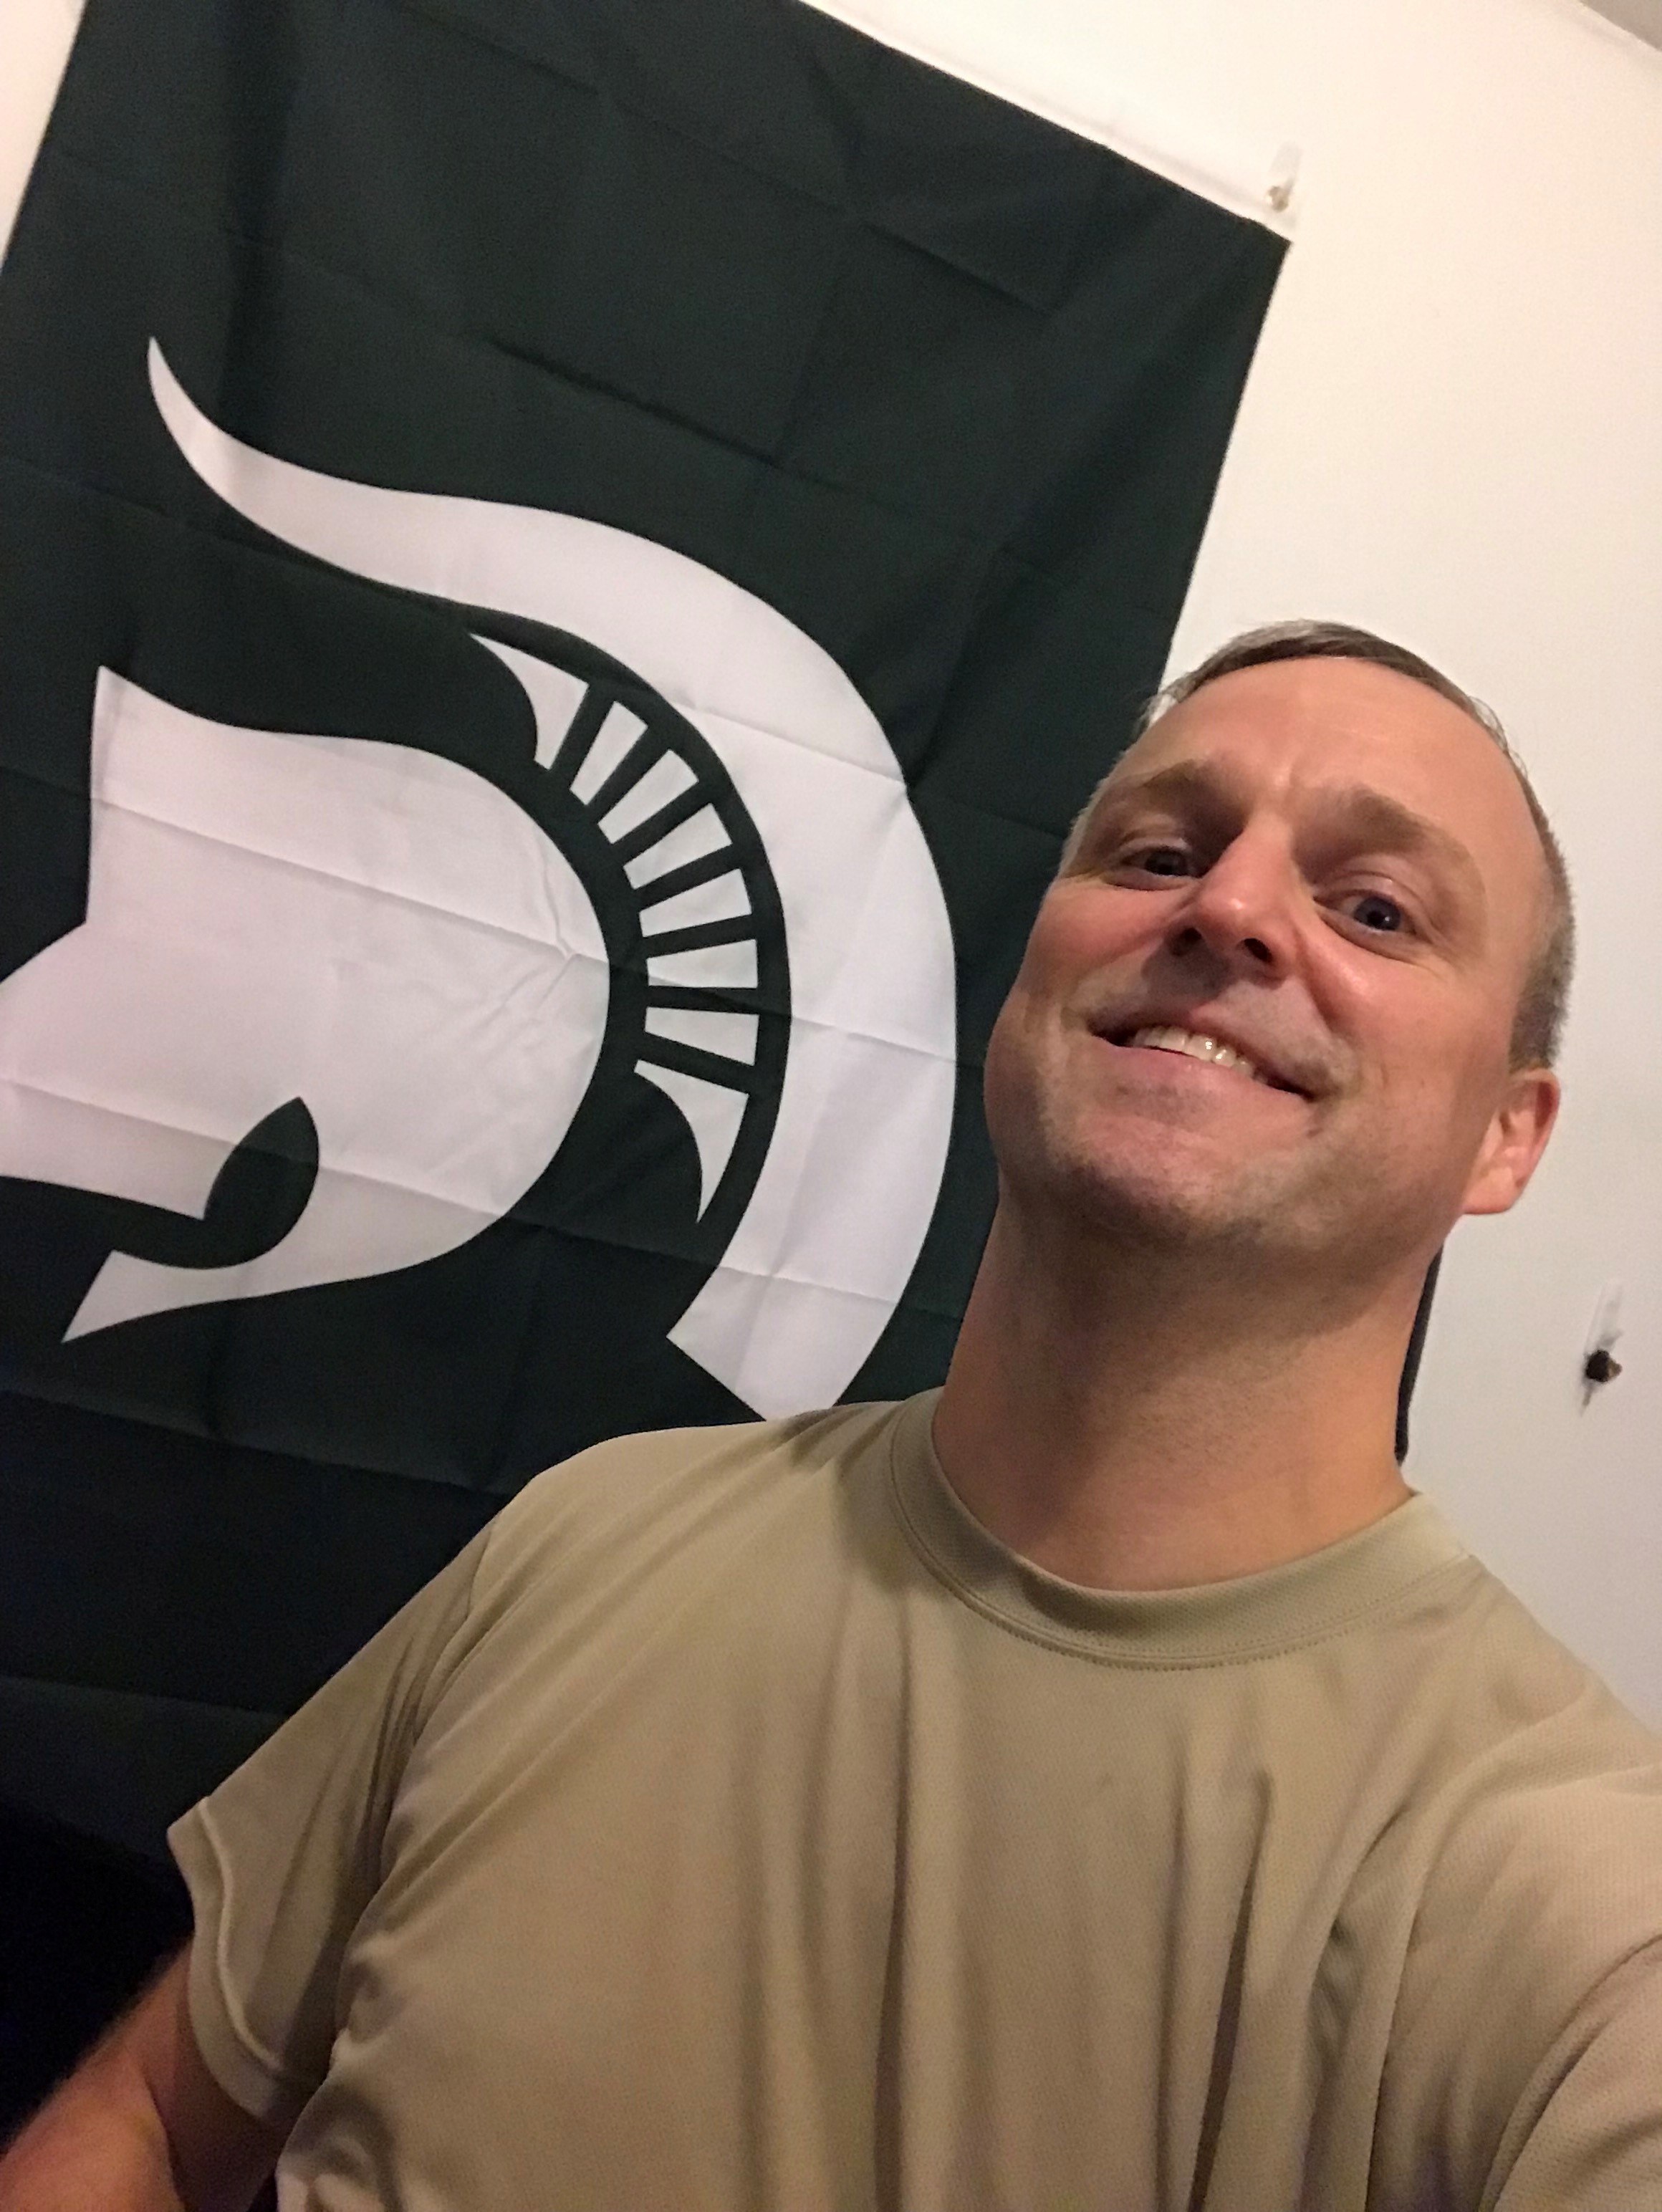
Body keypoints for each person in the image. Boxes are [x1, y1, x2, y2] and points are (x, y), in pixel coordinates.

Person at [4, 620, 1658, 2212]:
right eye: (1158, 851)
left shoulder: (1579, 1906)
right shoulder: (591, 1540)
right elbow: (150, 2121)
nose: (1226, 906)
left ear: (1504, 1135)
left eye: (1371, 906)